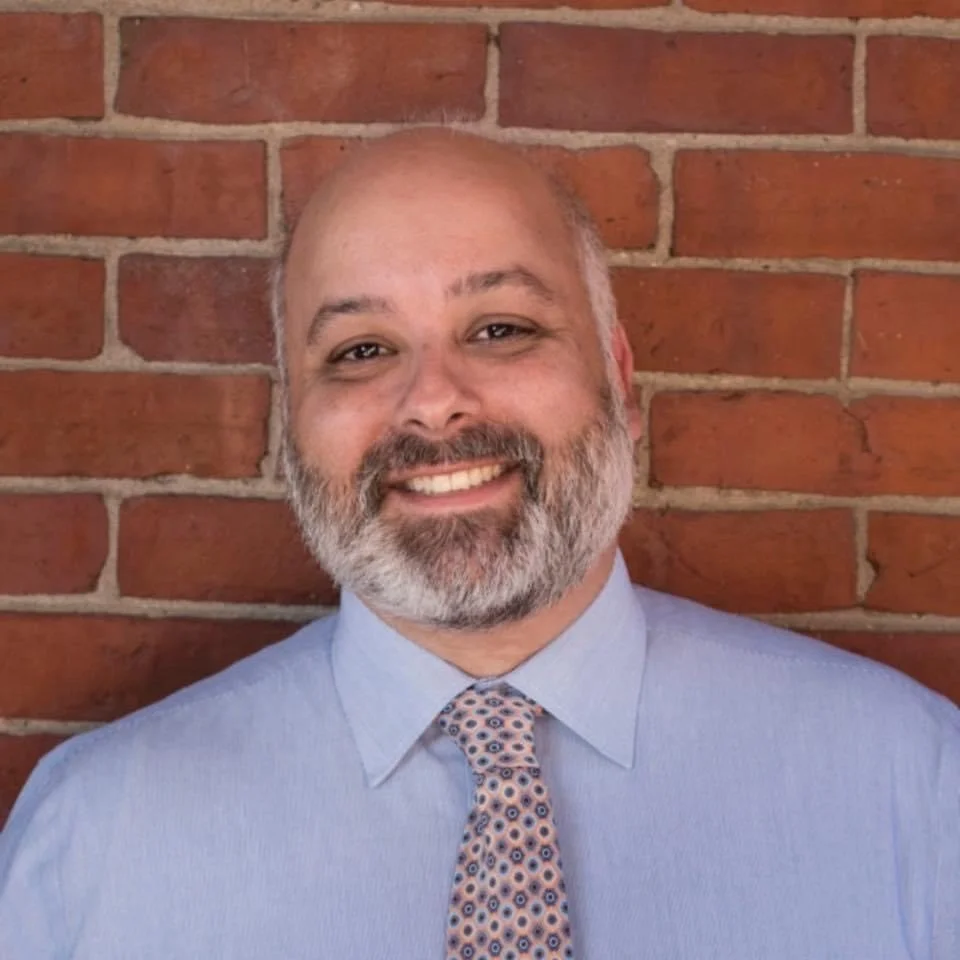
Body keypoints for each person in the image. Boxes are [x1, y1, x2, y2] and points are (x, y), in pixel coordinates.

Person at [0, 128, 957, 959]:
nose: (433, 401)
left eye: (500, 328)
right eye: (361, 350)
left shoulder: (912, 787)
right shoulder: (97, 836)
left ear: (619, 377)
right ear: (291, 420)